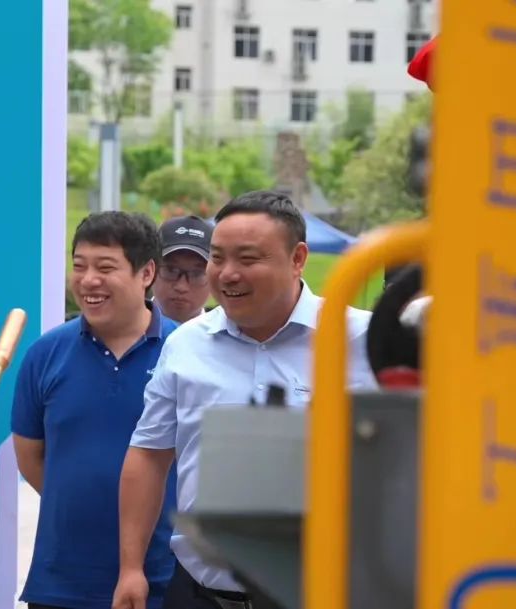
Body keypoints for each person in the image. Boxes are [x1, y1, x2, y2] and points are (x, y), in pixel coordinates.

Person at [111, 191, 378, 609]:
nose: (228, 274)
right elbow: (148, 455)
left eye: (248, 259)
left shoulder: (363, 341)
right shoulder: (185, 345)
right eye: (217, 258)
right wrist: (131, 567)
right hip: (198, 594)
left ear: (298, 258)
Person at [12, 211, 180, 609]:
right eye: (79, 266)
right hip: (61, 582)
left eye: (105, 268)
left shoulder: (184, 351)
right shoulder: (45, 353)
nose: (88, 280)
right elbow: (31, 457)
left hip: (164, 580)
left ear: (146, 273)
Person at [153, 216, 213, 324]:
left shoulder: (232, 333)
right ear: (150, 270)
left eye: (197, 274)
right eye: (171, 270)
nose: (181, 287)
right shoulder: (123, 326)